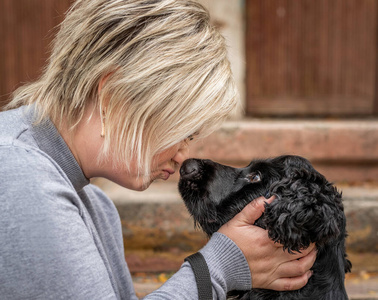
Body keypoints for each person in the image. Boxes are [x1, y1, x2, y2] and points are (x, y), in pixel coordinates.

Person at [0, 0, 316, 299]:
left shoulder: (93, 205)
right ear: (112, 94)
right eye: (180, 131)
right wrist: (218, 267)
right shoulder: (20, 178)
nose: (182, 157)